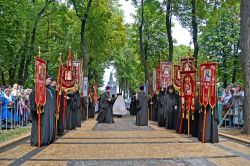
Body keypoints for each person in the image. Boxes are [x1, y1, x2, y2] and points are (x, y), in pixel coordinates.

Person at [30, 75, 56, 146]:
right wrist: (38, 108)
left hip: (48, 113)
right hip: (42, 113)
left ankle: (47, 138)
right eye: (48, 79)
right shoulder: (37, 89)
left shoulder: (48, 90)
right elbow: (34, 101)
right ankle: (40, 139)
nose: (50, 81)